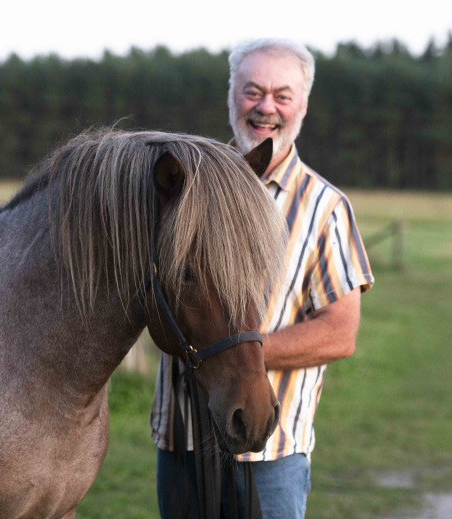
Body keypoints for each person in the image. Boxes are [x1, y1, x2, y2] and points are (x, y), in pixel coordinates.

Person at [151, 38, 373, 518]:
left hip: (270, 456)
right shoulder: (180, 187)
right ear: (231, 95)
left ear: (303, 105)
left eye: (282, 95)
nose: (265, 107)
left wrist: (234, 354)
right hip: (182, 442)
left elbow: (340, 332)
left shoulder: (324, 208)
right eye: (252, 91)